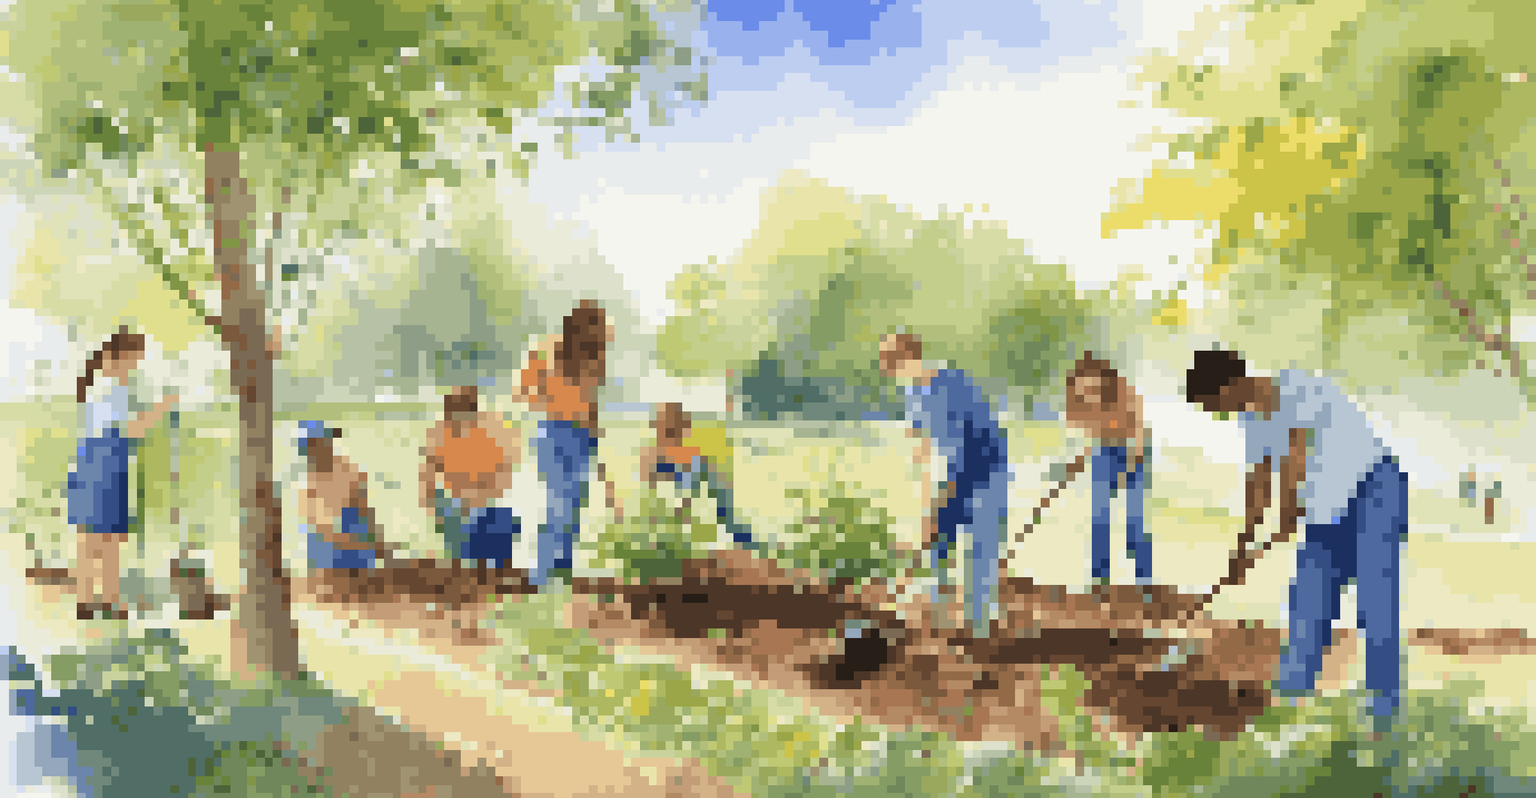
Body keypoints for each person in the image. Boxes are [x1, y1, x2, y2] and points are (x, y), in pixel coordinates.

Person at [1185, 348, 1406, 722]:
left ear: (1231, 384)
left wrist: (1288, 512)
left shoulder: (1297, 387)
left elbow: (1295, 455)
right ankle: (1292, 692)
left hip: (1372, 489)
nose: (1218, 413)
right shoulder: (1250, 420)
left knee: (1375, 598)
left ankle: (1383, 707)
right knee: (1307, 599)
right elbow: (1258, 482)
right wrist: (1243, 546)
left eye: (1215, 403)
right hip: (1324, 510)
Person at [878, 331, 1010, 639]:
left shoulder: (954, 383)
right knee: (938, 544)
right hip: (952, 471)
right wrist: (926, 505)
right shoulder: (912, 396)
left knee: (981, 547)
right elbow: (921, 451)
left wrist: (942, 495)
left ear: (914, 359)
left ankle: (980, 629)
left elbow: (973, 440)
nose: (899, 377)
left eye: (900, 368)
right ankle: (934, 621)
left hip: (986, 468)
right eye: (894, 373)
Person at [68, 328, 177, 620]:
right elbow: (131, 430)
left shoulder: (101, 384)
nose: (135, 367)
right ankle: (101, 601)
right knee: (102, 537)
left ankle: (97, 600)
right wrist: (161, 409)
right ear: (120, 357)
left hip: (99, 463)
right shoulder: (110, 387)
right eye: (133, 360)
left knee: (101, 536)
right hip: (102, 464)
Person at [517, 301, 622, 587]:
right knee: (559, 505)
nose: (601, 336)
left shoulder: (594, 360)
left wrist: (595, 442)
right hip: (552, 433)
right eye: (597, 328)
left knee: (573, 507)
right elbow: (523, 392)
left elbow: (592, 405)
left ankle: (561, 574)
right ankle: (539, 576)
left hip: (582, 436)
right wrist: (552, 401)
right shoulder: (547, 348)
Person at [1062, 353, 1153, 588]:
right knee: (1100, 516)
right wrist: (1081, 456)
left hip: (1133, 449)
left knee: (1135, 519)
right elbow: (1091, 430)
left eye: (1090, 384)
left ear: (1101, 378)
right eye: (1082, 389)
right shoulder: (1079, 401)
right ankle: (1100, 581)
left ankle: (1144, 580)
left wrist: (1134, 457)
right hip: (1104, 452)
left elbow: (1138, 425)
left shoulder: (1123, 391)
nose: (1087, 391)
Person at [421, 386, 523, 568]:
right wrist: (433, 503)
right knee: (461, 528)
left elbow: (504, 475)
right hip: (458, 504)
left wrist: (478, 494)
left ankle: (494, 567)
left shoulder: (490, 432)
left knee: (494, 525)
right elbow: (428, 475)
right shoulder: (439, 436)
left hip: (488, 503)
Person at [638, 402, 757, 550]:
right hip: (678, 518)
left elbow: (711, 497)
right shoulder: (653, 458)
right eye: (666, 428)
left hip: (697, 515)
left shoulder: (693, 457)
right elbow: (650, 496)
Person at [296, 422, 385, 572]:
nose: (326, 446)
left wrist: (371, 539)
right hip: (329, 545)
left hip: (352, 534)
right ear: (309, 449)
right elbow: (319, 526)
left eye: (326, 441)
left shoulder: (348, 470)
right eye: (318, 443)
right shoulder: (309, 484)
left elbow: (363, 507)